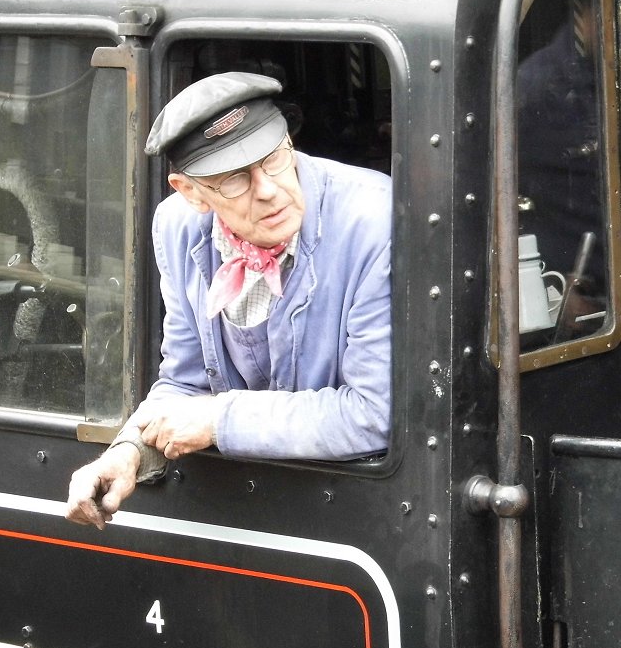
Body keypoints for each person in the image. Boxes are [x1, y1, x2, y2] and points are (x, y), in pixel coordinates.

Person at [66, 71, 392, 527]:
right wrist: (128, 451)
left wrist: (221, 420)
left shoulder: (376, 221)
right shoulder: (177, 227)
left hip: (357, 510)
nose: (269, 190)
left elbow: (374, 413)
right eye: (235, 179)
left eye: (276, 159)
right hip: (251, 510)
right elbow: (184, 381)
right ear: (191, 192)